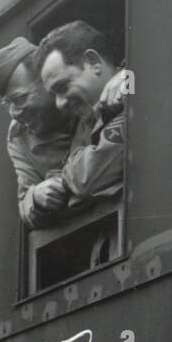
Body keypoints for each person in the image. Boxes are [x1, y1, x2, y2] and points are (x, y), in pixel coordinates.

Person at [31, 21, 131, 217]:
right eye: (54, 95)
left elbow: (89, 178)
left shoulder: (133, 91)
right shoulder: (84, 125)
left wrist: (71, 177)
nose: (59, 104)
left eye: (63, 87)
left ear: (93, 62)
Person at [0, 36, 77, 228]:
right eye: (7, 103)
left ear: (47, 80)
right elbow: (25, 200)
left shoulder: (80, 94)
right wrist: (37, 196)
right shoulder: (18, 135)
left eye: (20, 98)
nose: (14, 113)